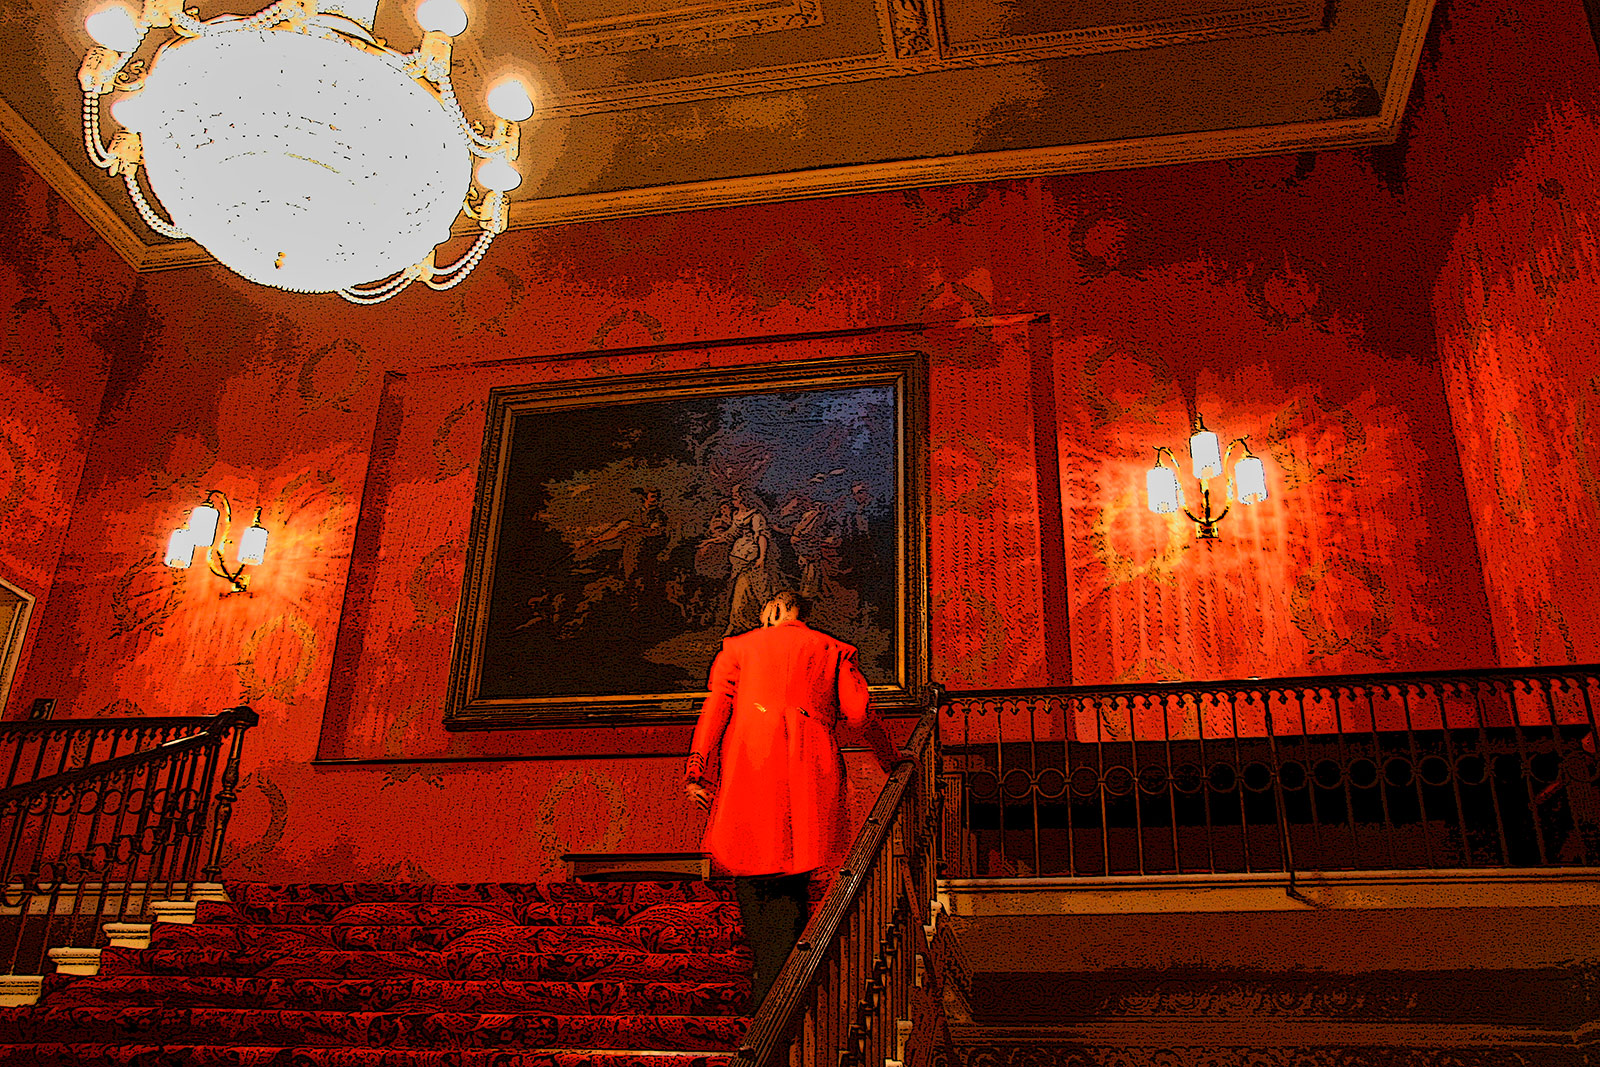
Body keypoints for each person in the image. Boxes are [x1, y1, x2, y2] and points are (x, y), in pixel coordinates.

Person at [684, 590, 901, 1006]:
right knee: (794, 872)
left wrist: (697, 769)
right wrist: (890, 758)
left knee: (749, 863)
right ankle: (781, 987)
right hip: (809, 764)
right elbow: (859, 714)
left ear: (777, 609)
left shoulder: (738, 648)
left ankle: (768, 982)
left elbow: (715, 709)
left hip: (750, 760)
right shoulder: (834, 650)